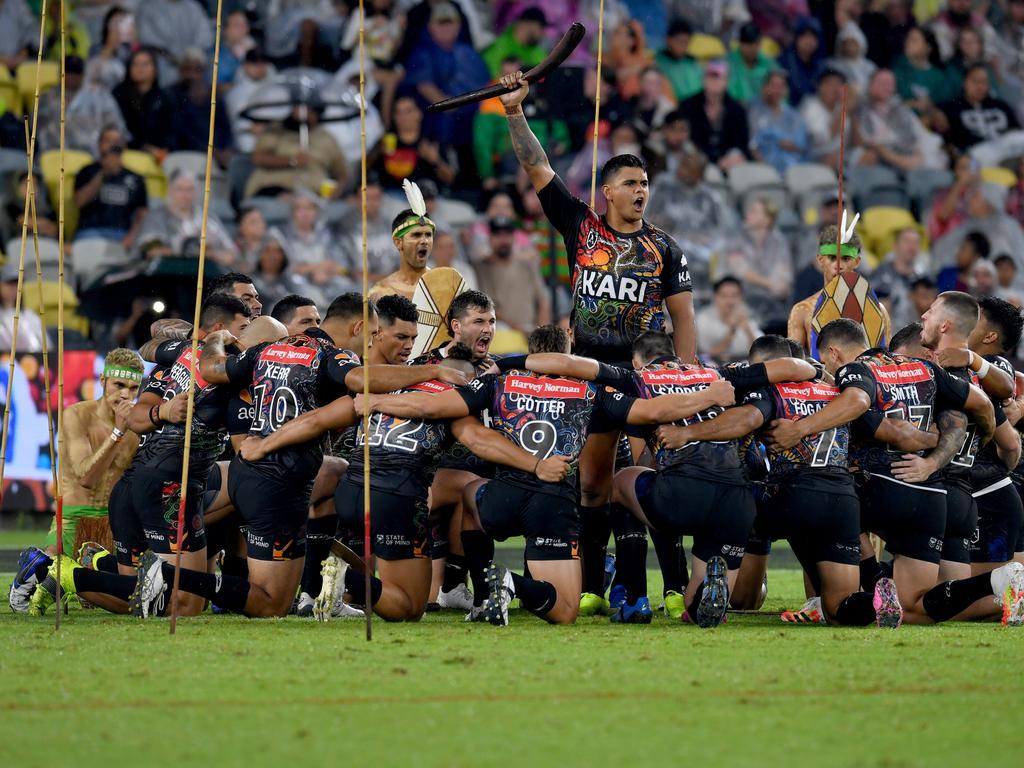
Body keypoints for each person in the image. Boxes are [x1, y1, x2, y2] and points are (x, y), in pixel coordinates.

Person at [359, 324, 736, 626]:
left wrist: (376, 401)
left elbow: (434, 406)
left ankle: (481, 594)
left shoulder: (497, 383)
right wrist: (709, 397)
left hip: (501, 500)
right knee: (564, 610)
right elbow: (652, 412)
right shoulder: (590, 390)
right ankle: (511, 583)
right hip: (551, 504)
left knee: (468, 493)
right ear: (568, 354)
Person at [122, 294, 470, 620]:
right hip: (280, 481)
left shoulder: (269, 349)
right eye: (373, 335)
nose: (370, 344)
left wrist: (213, 340)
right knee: (271, 602)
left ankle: (323, 583)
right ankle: (169, 574)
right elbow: (353, 385)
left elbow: (211, 368)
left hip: (249, 475)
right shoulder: (330, 355)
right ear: (358, 328)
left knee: (272, 594)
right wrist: (432, 370)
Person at [499, 67, 697, 616]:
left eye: (645, 185)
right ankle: (591, 585)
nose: (641, 192)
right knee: (592, 484)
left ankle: (675, 585)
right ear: (607, 190)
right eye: (631, 184)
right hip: (588, 370)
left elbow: (683, 317)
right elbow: (536, 166)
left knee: (652, 481)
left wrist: (691, 377)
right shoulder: (580, 227)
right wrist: (515, 111)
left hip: (647, 375)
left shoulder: (665, 248)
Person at [239, 343, 568, 622]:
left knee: (397, 572)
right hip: (394, 497)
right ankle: (345, 577)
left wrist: (264, 444)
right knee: (410, 607)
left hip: (351, 490)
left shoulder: (383, 387)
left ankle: (337, 583)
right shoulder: (452, 399)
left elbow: (316, 419)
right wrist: (536, 465)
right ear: (466, 375)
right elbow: (479, 440)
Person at [765, 318, 1024, 626]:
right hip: (938, 495)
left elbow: (891, 429)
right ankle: (997, 582)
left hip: (887, 486)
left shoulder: (859, 372)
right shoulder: (930, 372)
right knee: (915, 607)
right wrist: (971, 440)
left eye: (825, 361)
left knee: (827, 505)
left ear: (834, 353)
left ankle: (848, 593)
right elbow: (982, 406)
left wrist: (800, 429)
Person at [28, 296, 254, 618]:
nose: (248, 330)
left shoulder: (177, 359)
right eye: (244, 325)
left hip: (134, 487)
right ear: (219, 329)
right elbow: (138, 413)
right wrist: (166, 411)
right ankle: (71, 574)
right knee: (187, 604)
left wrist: (161, 408)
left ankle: (78, 569)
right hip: (169, 487)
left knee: (138, 601)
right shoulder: (225, 369)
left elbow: (150, 355)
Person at [657, 335, 904, 627]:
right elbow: (886, 428)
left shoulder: (773, 391)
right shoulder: (836, 391)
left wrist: (688, 433)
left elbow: (746, 420)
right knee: (839, 608)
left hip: (789, 494)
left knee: (732, 508)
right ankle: (875, 597)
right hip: (841, 501)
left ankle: (706, 593)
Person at [8, 348, 144, 614]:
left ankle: (63, 577)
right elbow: (86, 477)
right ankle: (37, 563)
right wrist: (118, 431)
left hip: (113, 523)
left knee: (131, 598)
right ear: (103, 380)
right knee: (37, 600)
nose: (126, 395)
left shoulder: (137, 427)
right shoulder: (76, 415)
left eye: (133, 387)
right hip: (73, 517)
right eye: (118, 385)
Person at [787, 225, 892, 356]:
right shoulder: (802, 311)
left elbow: (886, 361)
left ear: (857, 262)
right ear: (820, 260)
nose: (839, 266)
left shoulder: (879, 310)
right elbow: (794, 364)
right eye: (832, 258)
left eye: (845, 259)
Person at [405, 2, 490, 155]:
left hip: (468, 118)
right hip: (433, 121)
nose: (446, 28)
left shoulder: (468, 52)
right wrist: (450, 104)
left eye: (449, 23)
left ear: (458, 26)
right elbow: (424, 86)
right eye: (440, 23)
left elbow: (483, 85)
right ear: (431, 26)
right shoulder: (421, 52)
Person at [245, 102, 349, 199]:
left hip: (315, 194)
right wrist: (292, 160)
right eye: (299, 109)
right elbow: (258, 158)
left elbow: (341, 173)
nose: (302, 113)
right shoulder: (275, 130)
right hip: (274, 188)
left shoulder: (326, 138)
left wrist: (338, 190)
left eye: (309, 111)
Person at [133, 172, 237, 266]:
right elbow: (150, 251)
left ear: (197, 192)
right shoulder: (156, 217)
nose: (185, 195)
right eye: (180, 189)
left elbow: (231, 253)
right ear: (170, 191)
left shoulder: (208, 218)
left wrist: (214, 254)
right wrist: (188, 252)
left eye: (189, 189)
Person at [73, 126, 148, 250]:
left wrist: (131, 237)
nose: (113, 145)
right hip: (89, 233)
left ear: (124, 146)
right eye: (108, 141)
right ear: (99, 145)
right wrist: (103, 174)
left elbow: (142, 213)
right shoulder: (87, 171)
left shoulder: (136, 178)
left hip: (122, 235)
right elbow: (79, 202)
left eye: (117, 141)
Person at [474, 216, 550, 337]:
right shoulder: (482, 268)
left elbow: (543, 300)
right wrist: (520, 330)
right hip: (500, 332)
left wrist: (542, 331)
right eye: (498, 235)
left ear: (514, 238)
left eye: (507, 235)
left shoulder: (528, 266)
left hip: (531, 329)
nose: (503, 240)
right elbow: (489, 308)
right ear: (490, 239)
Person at [939, 65, 1023, 164]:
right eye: (975, 81)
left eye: (984, 82)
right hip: (976, 153)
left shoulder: (1001, 106)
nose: (980, 86)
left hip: (1004, 148)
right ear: (965, 82)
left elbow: (1015, 131)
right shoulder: (952, 107)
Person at [677, 59, 750, 171]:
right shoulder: (687, 106)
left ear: (727, 80)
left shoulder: (737, 110)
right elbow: (684, 137)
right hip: (696, 161)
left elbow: (742, 143)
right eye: (711, 76)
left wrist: (734, 156)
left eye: (719, 77)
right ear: (703, 79)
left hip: (730, 163)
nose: (715, 81)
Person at [374, 96, 457, 190]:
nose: (403, 117)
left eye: (408, 111)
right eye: (398, 112)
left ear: (419, 114)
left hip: (428, 199)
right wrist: (377, 153)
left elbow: (451, 179)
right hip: (392, 198)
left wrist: (435, 160)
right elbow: (364, 174)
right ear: (394, 117)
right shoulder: (386, 142)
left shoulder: (431, 142)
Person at [113, 48, 175, 157]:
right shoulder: (119, 94)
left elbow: (172, 129)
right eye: (135, 64)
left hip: (160, 156)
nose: (140, 69)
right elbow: (118, 129)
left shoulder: (164, 97)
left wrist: (165, 149)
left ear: (155, 69)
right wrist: (144, 148)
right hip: (127, 153)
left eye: (145, 64)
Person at [135, 0, 213, 86]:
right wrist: (176, 59)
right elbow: (148, 41)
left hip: (194, 64)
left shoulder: (193, 6)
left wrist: (192, 57)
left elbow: (205, 38)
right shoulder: (149, 6)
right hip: (165, 64)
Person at [367, 205, 435, 302]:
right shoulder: (380, 291)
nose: (424, 241)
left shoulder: (446, 285)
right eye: (417, 235)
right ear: (398, 242)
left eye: (428, 235)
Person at [748, 70, 809, 175]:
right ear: (764, 87)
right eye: (773, 85)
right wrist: (766, 170)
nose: (776, 90)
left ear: (786, 91)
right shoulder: (753, 111)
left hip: (793, 170)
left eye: (781, 86)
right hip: (762, 171)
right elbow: (752, 146)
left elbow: (802, 148)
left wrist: (788, 145)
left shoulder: (794, 116)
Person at [695, 277, 763, 363]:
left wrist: (748, 330)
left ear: (741, 297)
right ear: (715, 297)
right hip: (714, 366)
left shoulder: (747, 315)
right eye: (724, 296)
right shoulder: (703, 319)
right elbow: (706, 354)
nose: (730, 301)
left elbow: (760, 353)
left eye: (734, 295)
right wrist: (732, 331)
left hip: (744, 364)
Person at [871, 228, 928, 329]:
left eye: (916, 242)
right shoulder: (881, 275)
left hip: (917, 335)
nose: (911, 247)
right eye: (906, 241)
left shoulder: (923, 277)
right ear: (895, 246)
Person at [800, 69, 848, 166]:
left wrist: (852, 112)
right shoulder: (810, 106)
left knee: (869, 155)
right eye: (831, 84)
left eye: (839, 85)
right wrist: (842, 112)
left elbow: (857, 142)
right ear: (820, 86)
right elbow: (824, 140)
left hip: (843, 155)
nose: (835, 89)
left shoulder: (842, 105)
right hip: (814, 155)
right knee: (832, 157)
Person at [482, 7, 547, 77]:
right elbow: (489, 80)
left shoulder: (539, 53)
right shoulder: (498, 47)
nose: (543, 33)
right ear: (527, 25)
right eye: (541, 28)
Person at [0, 262, 47, 352]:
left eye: (17, 283)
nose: (14, 288)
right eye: (9, 283)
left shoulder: (30, 316)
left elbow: (44, 347)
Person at [780, 16, 826, 107]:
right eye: (804, 35)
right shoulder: (783, 61)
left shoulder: (821, 65)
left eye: (813, 36)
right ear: (796, 37)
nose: (808, 41)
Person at [654, 19, 703, 102]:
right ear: (668, 40)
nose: (683, 46)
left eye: (686, 42)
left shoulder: (692, 63)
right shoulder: (659, 63)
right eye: (679, 41)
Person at [727, 22, 773, 104]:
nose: (752, 48)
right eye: (748, 44)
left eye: (756, 43)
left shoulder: (768, 64)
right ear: (740, 44)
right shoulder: (728, 63)